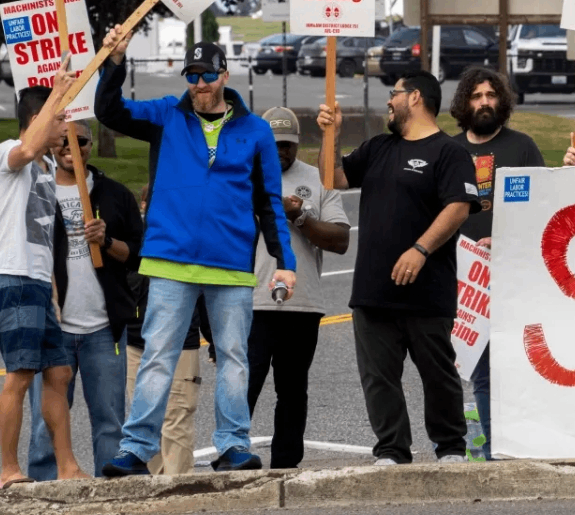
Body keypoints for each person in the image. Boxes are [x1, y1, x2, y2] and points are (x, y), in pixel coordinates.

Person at [96, 34, 297, 477]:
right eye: (192, 75)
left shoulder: (256, 130)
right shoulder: (166, 115)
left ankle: (232, 446)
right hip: (170, 258)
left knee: (233, 356)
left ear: (225, 74)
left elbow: (268, 203)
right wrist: (114, 62)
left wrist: (285, 263)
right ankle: (135, 448)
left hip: (231, 264)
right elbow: (109, 112)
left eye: (208, 74)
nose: (200, 83)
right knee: (158, 355)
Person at [317, 70, 481, 465]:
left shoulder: (449, 152)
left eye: (395, 93)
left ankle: (451, 448)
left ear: (416, 98)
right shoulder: (377, 148)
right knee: (379, 378)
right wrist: (332, 135)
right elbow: (332, 179)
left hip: (428, 290)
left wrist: (420, 249)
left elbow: (458, 206)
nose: (389, 100)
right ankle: (391, 450)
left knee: (438, 374)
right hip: (374, 290)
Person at [26, 120, 144, 481]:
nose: (71, 148)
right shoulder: (35, 192)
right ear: (50, 145)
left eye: (80, 141)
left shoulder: (114, 194)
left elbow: (138, 256)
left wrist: (106, 242)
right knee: (45, 425)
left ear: (91, 145)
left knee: (110, 422)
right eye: (63, 141)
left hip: (103, 329)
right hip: (52, 329)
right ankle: (44, 492)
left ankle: (110, 494)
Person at [448, 68, 544, 459]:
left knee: (522, 370)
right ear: (463, 104)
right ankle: (493, 453)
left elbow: (544, 206)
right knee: (481, 374)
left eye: (490, 95)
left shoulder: (522, 147)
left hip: (515, 275)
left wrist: (505, 239)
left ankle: (528, 447)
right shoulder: (448, 150)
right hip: (464, 282)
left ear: (501, 101)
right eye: (476, 96)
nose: (484, 102)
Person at [246, 107, 350, 469]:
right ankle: (233, 455)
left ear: (297, 143)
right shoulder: (241, 176)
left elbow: (340, 240)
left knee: (292, 391)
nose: (281, 153)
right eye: (274, 145)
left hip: (302, 304)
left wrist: (301, 217)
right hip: (251, 301)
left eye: (288, 145)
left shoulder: (318, 179)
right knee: (242, 387)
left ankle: (285, 466)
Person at [0, 76, 89, 487]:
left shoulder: (50, 168)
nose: (65, 128)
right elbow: (28, 147)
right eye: (59, 119)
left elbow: (45, 237)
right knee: (20, 375)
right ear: (38, 119)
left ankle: (67, 466)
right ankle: (6, 469)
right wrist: (57, 91)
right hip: (13, 277)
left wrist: (53, 289)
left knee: (59, 373)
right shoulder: (8, 154)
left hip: (37, 282)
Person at [124, 183, 211, 476]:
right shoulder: (132, 242)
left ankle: (179, 487)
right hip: (137, 344)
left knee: (176, 417)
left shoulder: (192, 239)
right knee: (144, 422)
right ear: (144, 205)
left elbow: (208, 294)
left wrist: (214, 339)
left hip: (181, 343)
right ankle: (155, 491)